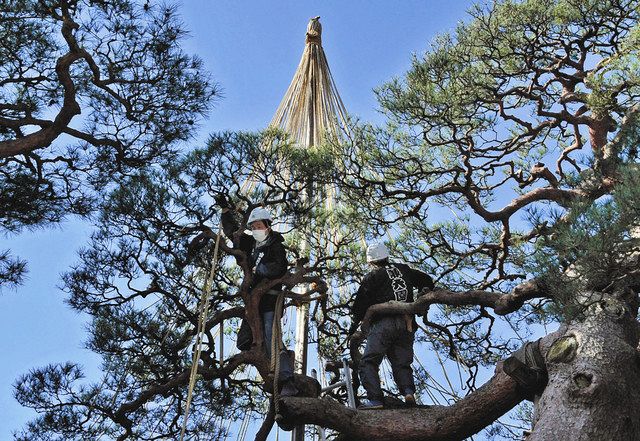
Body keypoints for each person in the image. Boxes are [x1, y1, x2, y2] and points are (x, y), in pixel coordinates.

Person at [217, 197, 298, 396]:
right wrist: (226, 211)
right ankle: (270, 372)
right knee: (247, 340)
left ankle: (287, 380)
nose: (255, 229)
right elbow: (233, 233)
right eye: (253, 226)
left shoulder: (275, 246)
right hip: (254, 302)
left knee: (272, 339)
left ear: (268, 226)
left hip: (270, 300)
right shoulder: (252, 243)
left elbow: (278, 267)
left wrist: (259, 269)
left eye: (259, 225)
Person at [349, 242, 434, 409]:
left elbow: (359, 306)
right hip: (406, 323)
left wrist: (354, 325)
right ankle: (408, 393)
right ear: (387, 257)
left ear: (371, 262)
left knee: (369, 362)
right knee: (401, 362)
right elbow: (426, 280)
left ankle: (375, 400)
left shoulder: (372, 277)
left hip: (384, 322)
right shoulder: (404, 269)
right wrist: (421, 294)